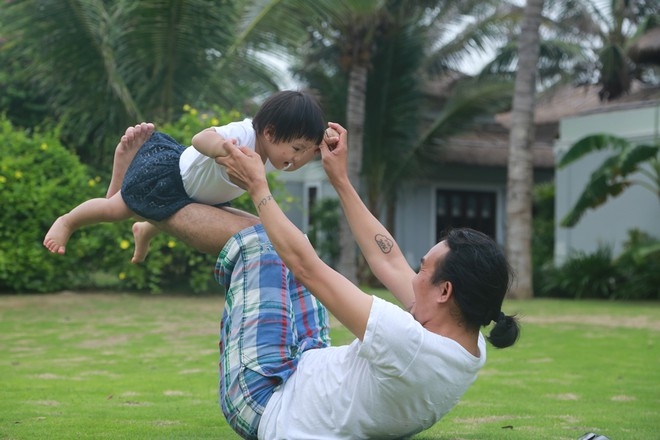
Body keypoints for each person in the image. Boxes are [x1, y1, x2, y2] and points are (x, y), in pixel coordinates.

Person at [151, 121, 521, 440]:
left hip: (264, 403)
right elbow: (386, 257)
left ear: (445, 291)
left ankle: (149, 204)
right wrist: (340, 179)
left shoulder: (407, 344)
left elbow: (307, 268)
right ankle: (151, 218)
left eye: (423, 269)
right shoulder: (466, 340)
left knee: (265, 243)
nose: (415, 274)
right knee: (288, 241)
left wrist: (258, 187)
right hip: (308, 367)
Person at [43, 90, 327, 262]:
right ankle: (67, 221)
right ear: (270, 132)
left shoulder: (271, 156)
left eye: (306, 153)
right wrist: (222, 150)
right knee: (115, 208)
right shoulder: (243, 135)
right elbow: (200, 137)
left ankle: (145, 229)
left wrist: (323, 147)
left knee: (172, 212)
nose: (297, 158)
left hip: (201, 196)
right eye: (296, 148)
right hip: (169, 177)